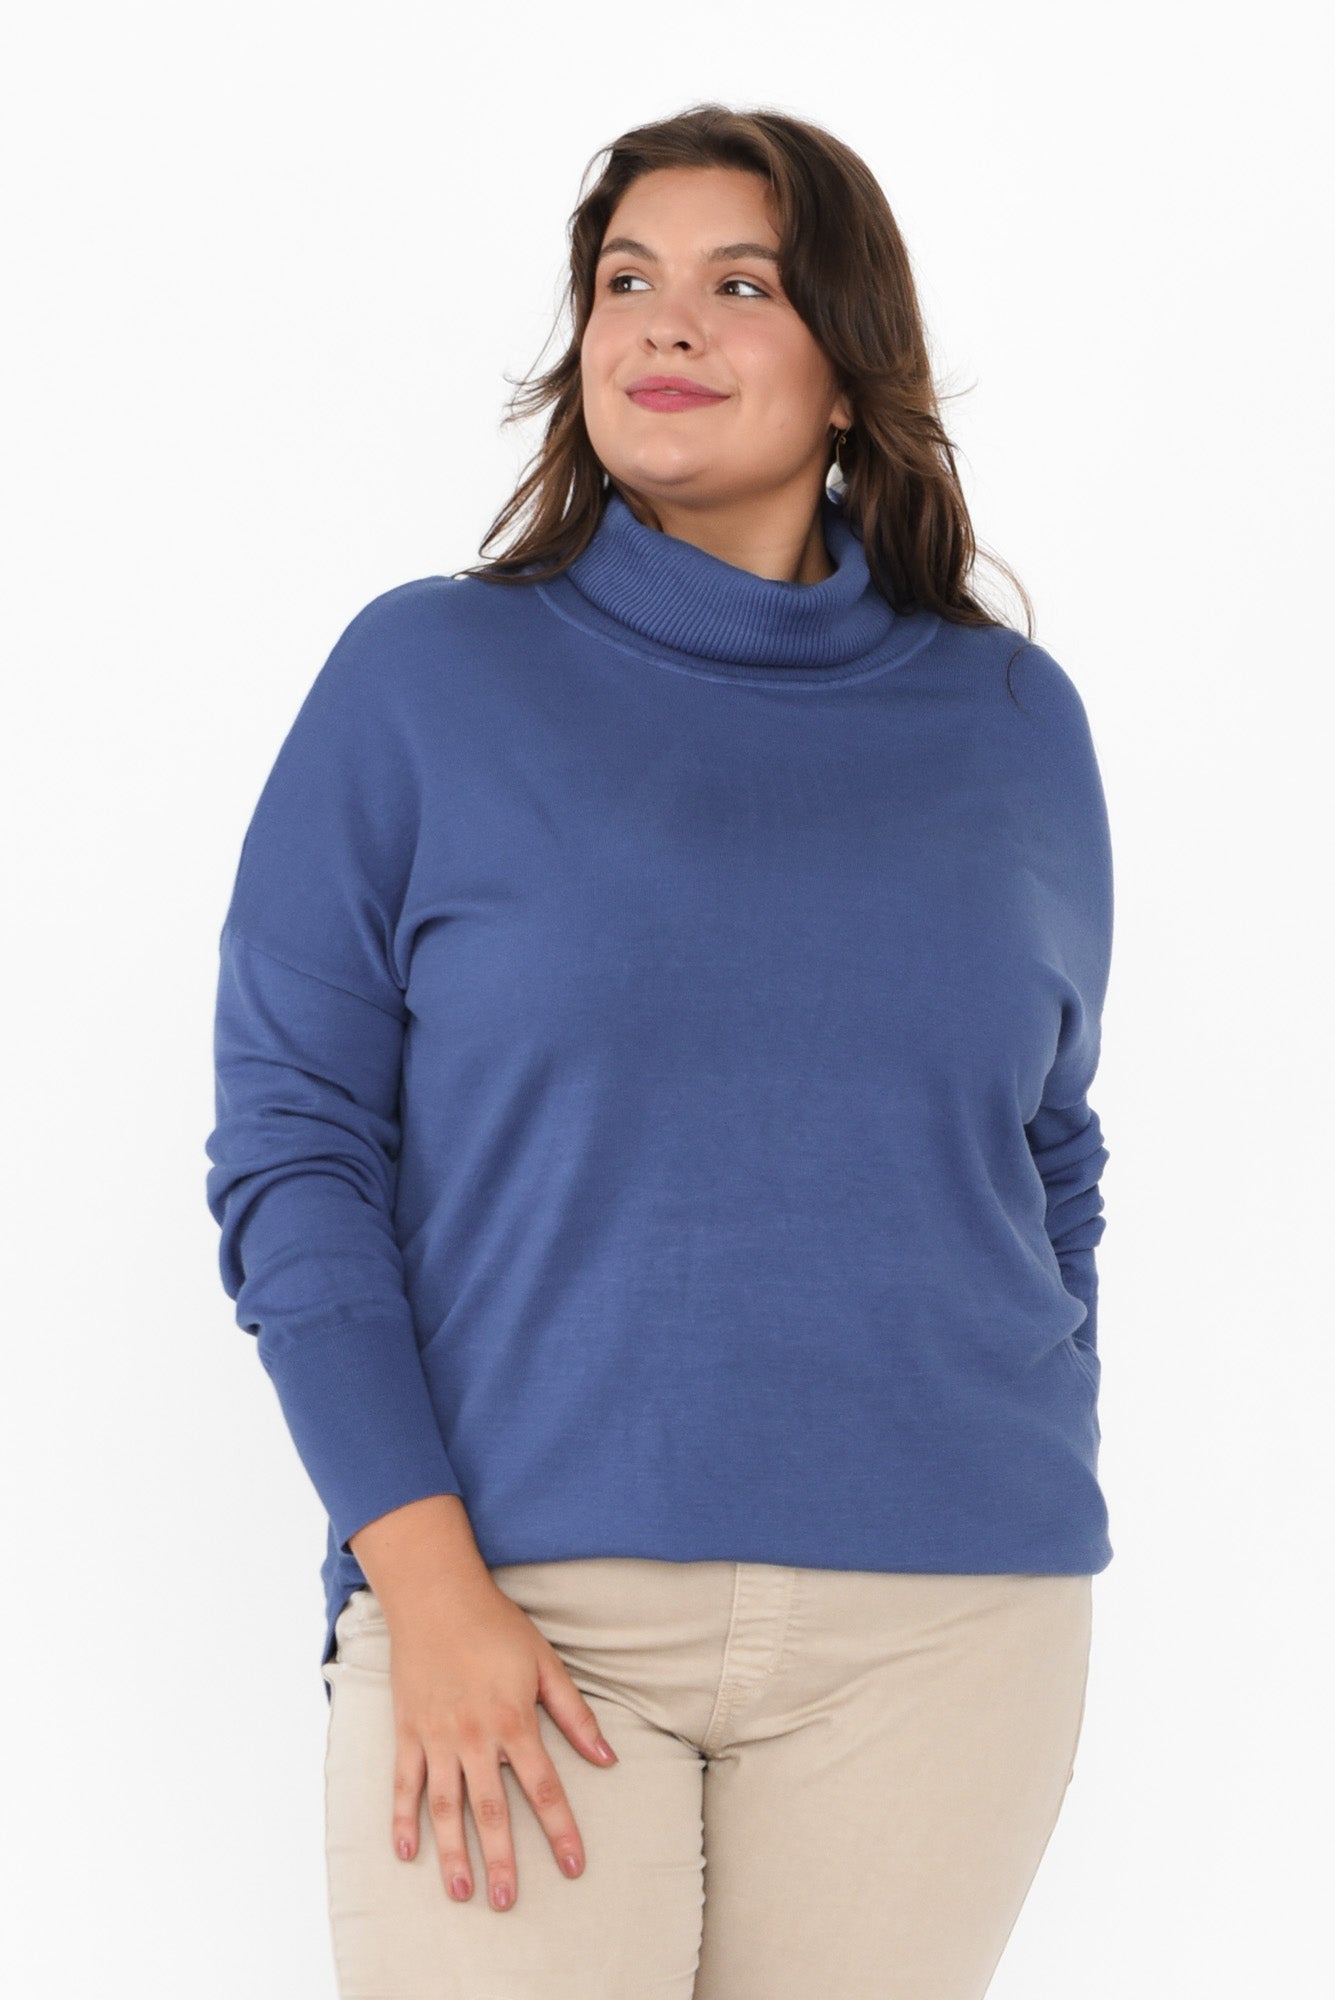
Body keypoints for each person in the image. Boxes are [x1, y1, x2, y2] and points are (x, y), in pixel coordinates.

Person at [205, 103, 1114, 2000]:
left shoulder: (1013, 721)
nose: (664, 323)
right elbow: (295, 1151)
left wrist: (1020, 1456)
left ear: (853, 364)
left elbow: (1048, 1153)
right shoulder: (425, 680)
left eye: (740, 284)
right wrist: (423, 1584)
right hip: (519, 1608)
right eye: (626, 281)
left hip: (945, 1632)